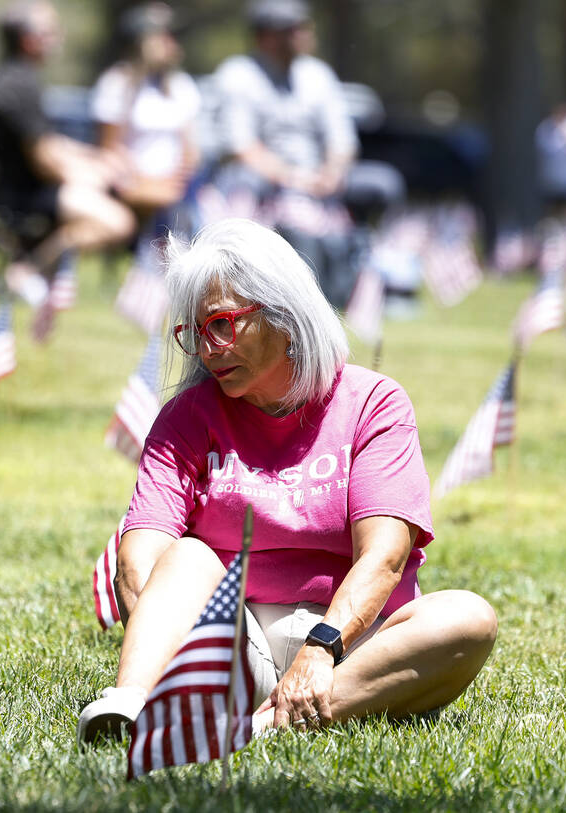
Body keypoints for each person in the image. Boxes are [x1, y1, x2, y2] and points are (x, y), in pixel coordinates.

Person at [77, 218, 496, 744]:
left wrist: (320, 650)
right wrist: (177, 654)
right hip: (234, 640)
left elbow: (384, 557)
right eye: (194, 332)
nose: (207, 350)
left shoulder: (374, 404)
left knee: (467, 619)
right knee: (186, 557)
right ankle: (133, 708)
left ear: (282, 312)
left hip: (354, 646)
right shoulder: (186, 417)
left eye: (222, 325)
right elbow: (139, 563)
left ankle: (255, 729)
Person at [0, 0, 137, 304]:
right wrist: (90, 176)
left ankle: (31, 272)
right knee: (118, 222)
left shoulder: (16, 78)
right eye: (50, 32)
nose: (57, 38)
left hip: (24, 189)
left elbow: (48, 142)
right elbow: (44, 162)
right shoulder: (18, 85)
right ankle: (27, 273)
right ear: (29, 39)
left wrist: (96, 158)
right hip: (24, 196)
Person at [211, 0, 361, 307]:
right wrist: (296, 179)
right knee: (279, 206)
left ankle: (376, 289)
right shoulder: (238, 75)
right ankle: (282, 299)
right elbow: (241, 148)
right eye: (294, 29)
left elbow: (342, 140)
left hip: (320, 181)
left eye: (304, 27)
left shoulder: (318, 75)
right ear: (266, 36)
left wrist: (331, 172)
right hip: (264, 183)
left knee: (383, 184)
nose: (305, 34)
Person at [91, 2, 201, 224]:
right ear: (142, 41)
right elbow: (108, 149)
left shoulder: (181, 85)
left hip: (175, 185)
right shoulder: (116, 84)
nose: (173, 42)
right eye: (165, 35)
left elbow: (190, 148)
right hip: (131, 185)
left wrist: (175, 180)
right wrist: (146, 183)